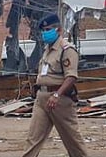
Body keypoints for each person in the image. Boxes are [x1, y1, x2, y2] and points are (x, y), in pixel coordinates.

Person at [22, 13, 86, 157]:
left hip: (59, 99)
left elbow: (71, 77)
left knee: (71, 139)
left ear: (59, 30)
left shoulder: (67, 50)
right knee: (33, 138)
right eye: (44, 30)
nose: (45, 33)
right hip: (42, 98)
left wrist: (57, 95)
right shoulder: (47, 50)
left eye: (49, 29)